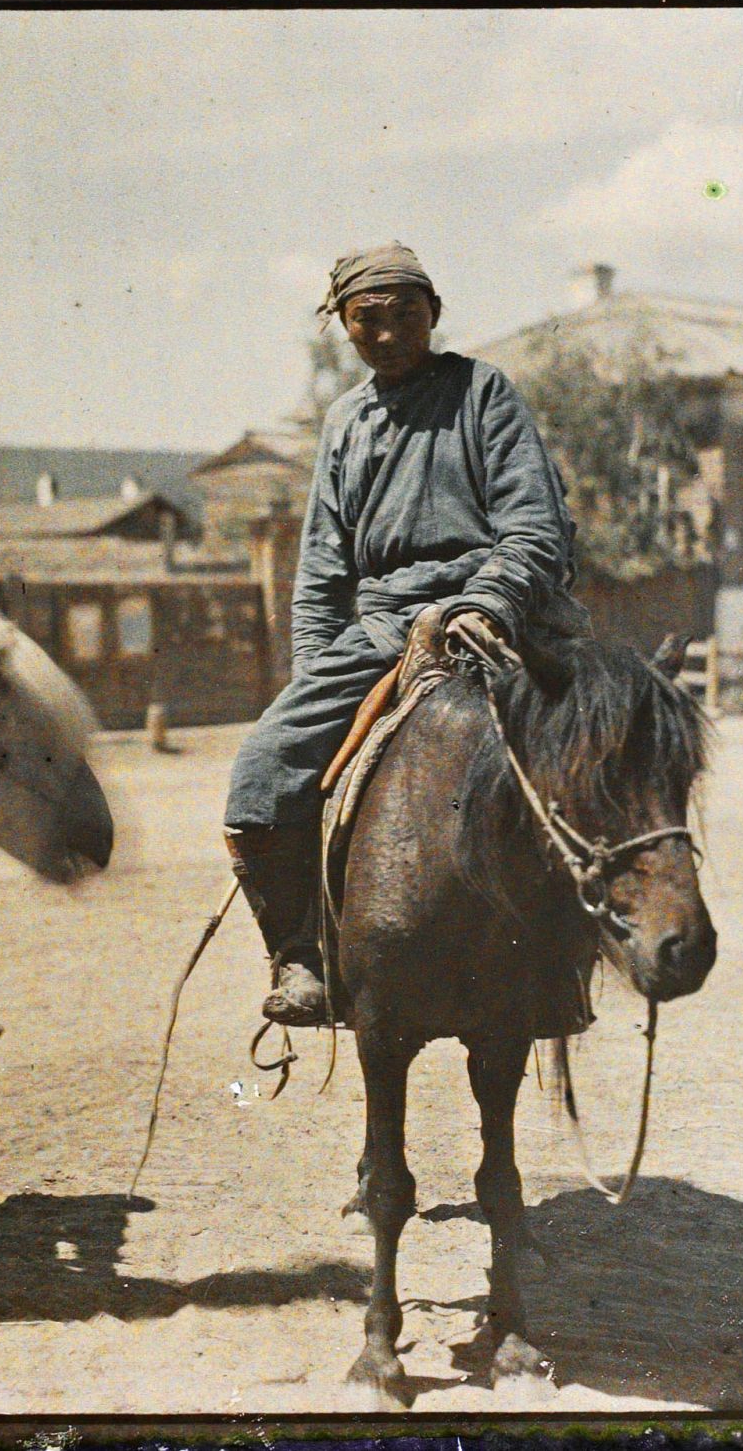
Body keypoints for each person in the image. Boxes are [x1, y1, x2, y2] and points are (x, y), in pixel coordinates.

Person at [224, 244, 587, 1028]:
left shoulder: (483, 394)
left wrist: (487, 599)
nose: (388, 335)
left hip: (499, 612)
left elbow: (534, 523)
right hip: (385, 626)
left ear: (435, 314)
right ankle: (303, 954)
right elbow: (322, 566)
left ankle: (566, 963)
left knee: (591, 759)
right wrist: (316, 680)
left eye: (406, 316)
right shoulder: (345, 422)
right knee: (261, 770)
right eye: (368, 321)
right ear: (345, 329)